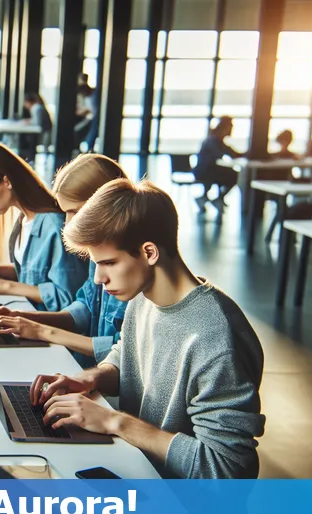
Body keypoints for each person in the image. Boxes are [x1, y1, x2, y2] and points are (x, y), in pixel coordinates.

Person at [28, 179, 265, 479]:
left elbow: (226, 470)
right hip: (132, 471)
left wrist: (116, 422)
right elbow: (127, 356)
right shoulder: (142, 299)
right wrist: (91, 378)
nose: (99, 278)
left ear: (149, 252)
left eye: (109, 263)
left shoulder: (217, 338)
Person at [0, 154, 130, 368]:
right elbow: (84, 307)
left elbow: (119, 352)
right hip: (83, 369)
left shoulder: (132, 268)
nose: (66, 223)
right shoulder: (97, 254)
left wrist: (42, 331)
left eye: (74, 211)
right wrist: (21, 317)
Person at [0, 144, 88, 311]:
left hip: (45, 326)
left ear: (7, 181)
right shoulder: (24, 219)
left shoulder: (54, 226)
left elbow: (66, 296)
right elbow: (30, 273)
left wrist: (3, 286)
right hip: (25, 315)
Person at [192, 116, 245, 214]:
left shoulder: (216, 139)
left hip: (208, 171)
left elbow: (232, 154)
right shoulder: (213, 141)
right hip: (205, 172)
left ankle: (208, 198)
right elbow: (222, 154)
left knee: (232, 174)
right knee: (235, 176)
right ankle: (218, 199)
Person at [20, 92, 53, 162]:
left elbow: (37, 122)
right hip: (46, 130)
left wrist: (28, 122)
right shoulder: (38, 107)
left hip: (45, 131)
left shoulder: (36, 108)